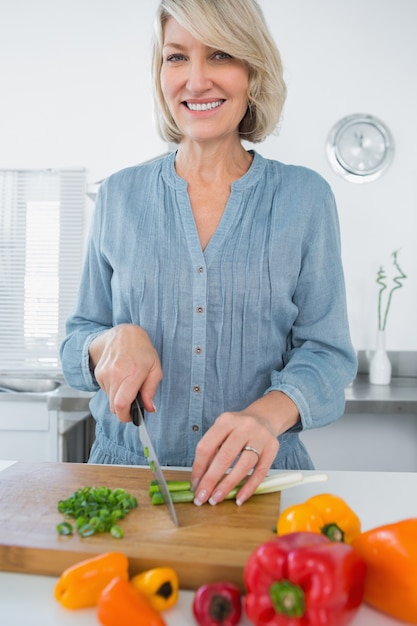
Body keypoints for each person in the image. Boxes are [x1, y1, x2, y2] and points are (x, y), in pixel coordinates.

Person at [60, 0, 357, 507]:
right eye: (177, 57)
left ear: (252, 70)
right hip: (124, 484)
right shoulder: (118, 196)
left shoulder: (305, 199)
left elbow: (327, 356)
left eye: (220, 55)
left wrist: (266, 414)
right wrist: (108, 342)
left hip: (258, 485)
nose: (196, 81)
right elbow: (75, 345)